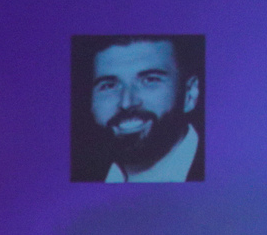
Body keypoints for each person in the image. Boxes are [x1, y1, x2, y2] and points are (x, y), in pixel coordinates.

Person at [73, 34, 206, 183]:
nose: (127, 103)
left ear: (189, 94)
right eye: (109, 86)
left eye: (149, 80)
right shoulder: (80, 175)